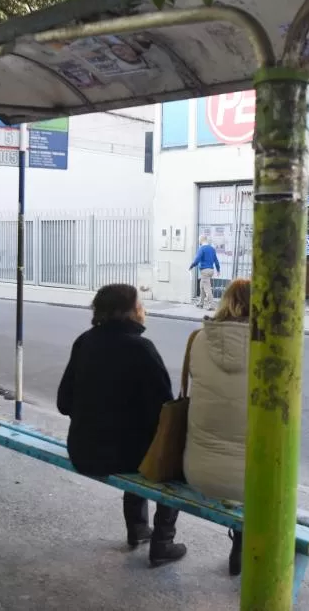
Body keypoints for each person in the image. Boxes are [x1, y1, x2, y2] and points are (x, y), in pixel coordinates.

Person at [57, 283, 187, 567]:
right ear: (131, 311)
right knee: (167, 456)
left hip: (83, 451)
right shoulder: (141, 349)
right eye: (140, 304)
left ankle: (138, 528)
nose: (144, 308)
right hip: (124, 457)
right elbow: (164, 412)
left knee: (136, 443)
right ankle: (162, 541)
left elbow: (63, 403)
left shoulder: (84, 341)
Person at [182, 278, 251, 576]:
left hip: (195, 470)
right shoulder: (274, 347)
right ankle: (243, 547)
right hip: (252, 483)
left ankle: (160, 536)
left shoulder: (198, 338)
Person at [189, 235, 220, 310]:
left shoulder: (202, 248)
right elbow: (216, 260)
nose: (199, 241)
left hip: (205, 271)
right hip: (211, 270)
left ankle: (211, 305)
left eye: (199, 240)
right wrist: (218, 270)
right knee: (202, 286)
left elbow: (197, 259)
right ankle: (201, 303)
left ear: (201, 240)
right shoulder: (212, 249)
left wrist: (192, 265)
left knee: (207, 288)